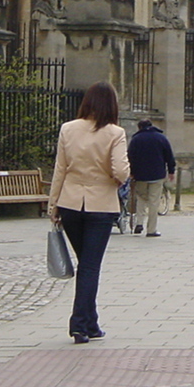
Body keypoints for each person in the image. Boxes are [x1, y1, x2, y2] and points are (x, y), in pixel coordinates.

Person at [49, 81, 130, 344]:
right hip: (100, 205)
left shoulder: (68, 129)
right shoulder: (115, 133)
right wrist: (117, 178)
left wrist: (53, 205)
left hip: (70, 203)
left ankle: (91, 322)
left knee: (86, 263)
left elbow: (60, 169)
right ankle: (79, 324)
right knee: (91, 266)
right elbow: (120, 170)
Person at [127, 118, 176, 236]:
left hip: (140, 174)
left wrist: (131, 171)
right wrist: (171, 171)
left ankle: (139, 222)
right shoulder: (161, 138)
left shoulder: (136, 139)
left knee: (141, 198)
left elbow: (130, 156)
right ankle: (151, 229)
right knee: (154, 201)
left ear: (139, 127)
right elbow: (169, 155)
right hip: (157, 174)